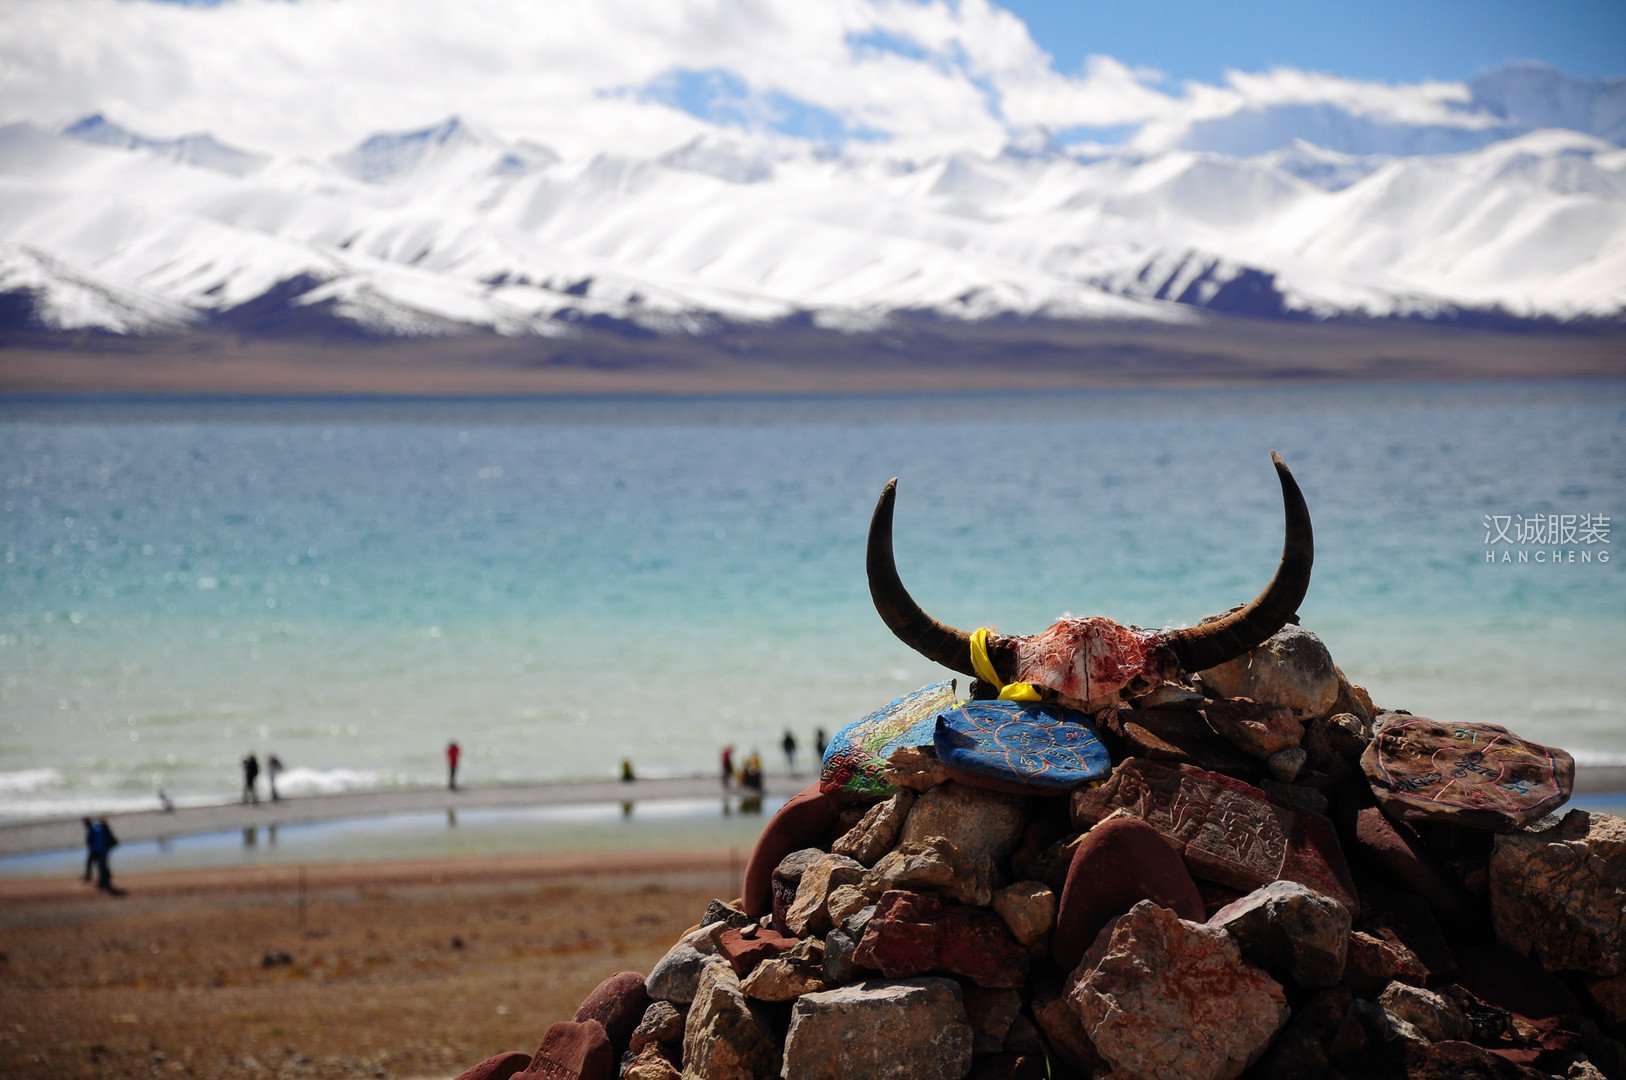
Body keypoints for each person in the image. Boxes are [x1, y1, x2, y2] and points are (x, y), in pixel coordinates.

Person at [90, 817, 119, 894]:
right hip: (103, 850)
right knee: (103, 866)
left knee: (102, 866)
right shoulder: (103, 828)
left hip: (102, 850)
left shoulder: (101, 829)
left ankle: (103, 882)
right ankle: (104, 882)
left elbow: (98, 840)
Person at [81, 816, 96, 883]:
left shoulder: (91, 829)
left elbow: (93, 840)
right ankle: (88, 876)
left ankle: (88, 877)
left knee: (89, 863)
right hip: (93, 849)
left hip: (94, 849)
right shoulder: (91, 828)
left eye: (84, 823)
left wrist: (92, 848)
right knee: (90, 863)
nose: (83, 824)